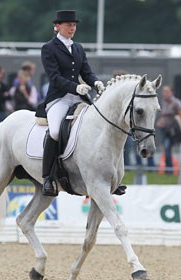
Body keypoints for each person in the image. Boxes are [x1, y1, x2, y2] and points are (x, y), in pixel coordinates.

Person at [38, 10, 105, 196]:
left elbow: (87, 72)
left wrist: (95, 82)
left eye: (74, 25)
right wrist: (75, 87)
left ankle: (105, 175)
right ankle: (48, 178)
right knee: (56, 131)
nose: (72, 28)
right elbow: (54, 77)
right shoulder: (48, 48)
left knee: (99, 125)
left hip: (79, 97)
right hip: (59, 97)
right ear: (57, 26)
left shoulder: (78, 48)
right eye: (68, 25)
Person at [157, 85, 181, 172]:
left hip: (173, 131)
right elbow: (163, 116)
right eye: (164, 92)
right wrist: (160, 122)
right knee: (165, 148)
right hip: (164, 130)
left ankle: (170, 169)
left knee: (167, 147)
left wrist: (174, 123)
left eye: (166, 92)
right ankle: (168, 169)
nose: (164, 94)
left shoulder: (177, 102)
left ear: (171, 93)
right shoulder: (163, 102)